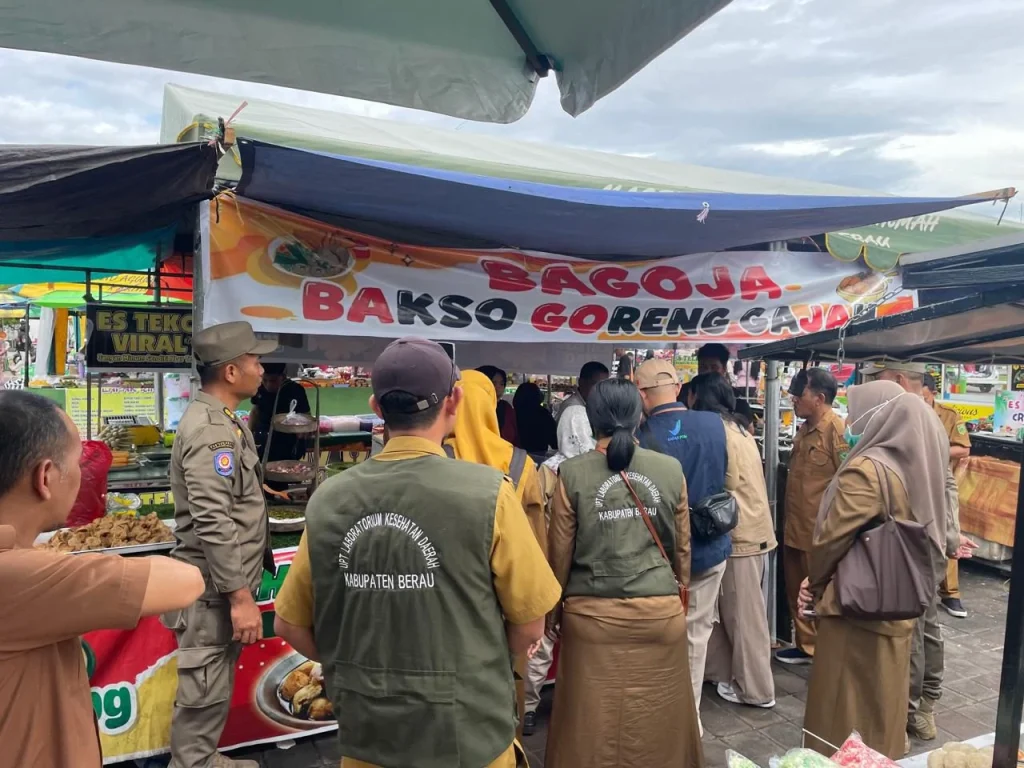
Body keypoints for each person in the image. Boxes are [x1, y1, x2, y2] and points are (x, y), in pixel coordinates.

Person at [274, 337, 561, 768]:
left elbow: (290, 624)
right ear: (454, 400)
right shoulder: (488, 494)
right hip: (467, 732)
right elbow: (529, 624)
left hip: (369, 734)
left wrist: (357, 666)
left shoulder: (329, 498)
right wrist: (477, 662)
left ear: (376, 407)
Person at [0, 391, 204, 768]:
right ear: (46, 478)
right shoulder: (21, 577)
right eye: (77, 461)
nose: (83, 473)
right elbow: (185, 581)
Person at [546, 379, 704, 768]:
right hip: (660, 613)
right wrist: (680, 597)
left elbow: (559, 554)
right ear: (639, 417)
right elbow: (682, 549)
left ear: (592, 419)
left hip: (591, 618)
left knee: (588, 728)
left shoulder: (572, 473)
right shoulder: (669, 469)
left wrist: (554, 614)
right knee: (659, 725)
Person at [801, 380, 949, 759]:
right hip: (896, 605)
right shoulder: (916, 464)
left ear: (873, 417)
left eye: (854, 414)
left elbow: (831, 541)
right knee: (882, 710)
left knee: (842, 716)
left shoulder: (867, 471)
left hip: (855, 612)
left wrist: (815, 585)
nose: (848, 423)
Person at [167, 321, 277, 768]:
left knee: (213, 686)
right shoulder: (211, 431)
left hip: (219, 589)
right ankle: (194, 762)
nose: (261, 368)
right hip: (214, 592)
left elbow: (225, 496)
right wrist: (239, 597)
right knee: (204, 690)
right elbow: (212, 520)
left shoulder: (225, 421)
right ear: (231, 372)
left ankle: (205, 758)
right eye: (255, 360)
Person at [862, 362, 976, 742]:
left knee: (912, 629)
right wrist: (949, 535)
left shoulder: (911, 420)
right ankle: (924, 705)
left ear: (897, 380)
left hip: (913, 542)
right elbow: (947, 485)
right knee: (926, 624)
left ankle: (910, 711)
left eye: (878, 378)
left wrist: (948, 536)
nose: (874, 385)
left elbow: (941, 484)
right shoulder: (927, 420)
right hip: (925, 540)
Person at [445, 369, 549, 740]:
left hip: (452, 593)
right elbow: (537, 543)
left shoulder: (439, 457)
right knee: (507, 686)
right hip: (507, 598)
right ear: (491, 406)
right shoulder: (520, 463)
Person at [634, 358, 732, 733]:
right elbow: (729, 479)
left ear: (641, 394)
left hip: (662, 554)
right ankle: (688, 722)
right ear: (677, 388)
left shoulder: (640, 437)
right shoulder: (715, 424)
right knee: (695, 637)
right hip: (710, 545)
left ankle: (656, 714)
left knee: (656, 638)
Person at [690, 373, 777, 709]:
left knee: (744, 618)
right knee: (730, 612)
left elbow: (728, 480)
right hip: (751, 530)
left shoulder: (721, 432)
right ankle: (724, 674)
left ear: (699, 397)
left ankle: (757, 690)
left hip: (742, 535)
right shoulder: (738, 427)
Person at [776, 368, 847, 666]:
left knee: (820, 593)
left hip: (819, 533)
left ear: (819, 398)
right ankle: (806, 646)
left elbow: (847, 483)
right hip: (795, 527)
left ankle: (827, 652)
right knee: (797, 591)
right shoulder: (804, 430)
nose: (794, 399)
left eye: (799, 394)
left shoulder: (837, 431)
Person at [923, 373, 972, 619]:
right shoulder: (910, 412)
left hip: (942, 482)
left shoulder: (950, 416)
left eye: (924, 397)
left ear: (932, 393)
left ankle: (951, 593)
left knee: (949, 533)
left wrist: (934, 449)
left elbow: (964, 448)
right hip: (918, 481)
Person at [249, 363, 311, 465]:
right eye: (265, 380)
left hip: (288, 441)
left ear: (283, 376)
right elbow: (255, 411)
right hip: (263, 438)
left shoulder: (295, 390)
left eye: (273, 381)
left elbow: (306, 415)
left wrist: (303, 430)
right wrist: (249, 433)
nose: (268, 385)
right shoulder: (259, 388)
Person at [554, 361, 609, 458]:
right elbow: (583, 452)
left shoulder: (590, 404)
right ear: (581, 382)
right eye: (596, 385)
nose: (601, 391)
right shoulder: (574, 411)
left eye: (604, 386)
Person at [512, 381, 557, 460]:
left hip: (516, 455)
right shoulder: (543, 414)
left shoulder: (513, 413)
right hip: (539, 455)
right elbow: (554, 440)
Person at [477, 365, 518, 445]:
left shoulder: (506, 408)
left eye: (502, 384)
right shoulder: (472, 408)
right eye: (493, 383)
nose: (498, 387)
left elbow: (515, 438)